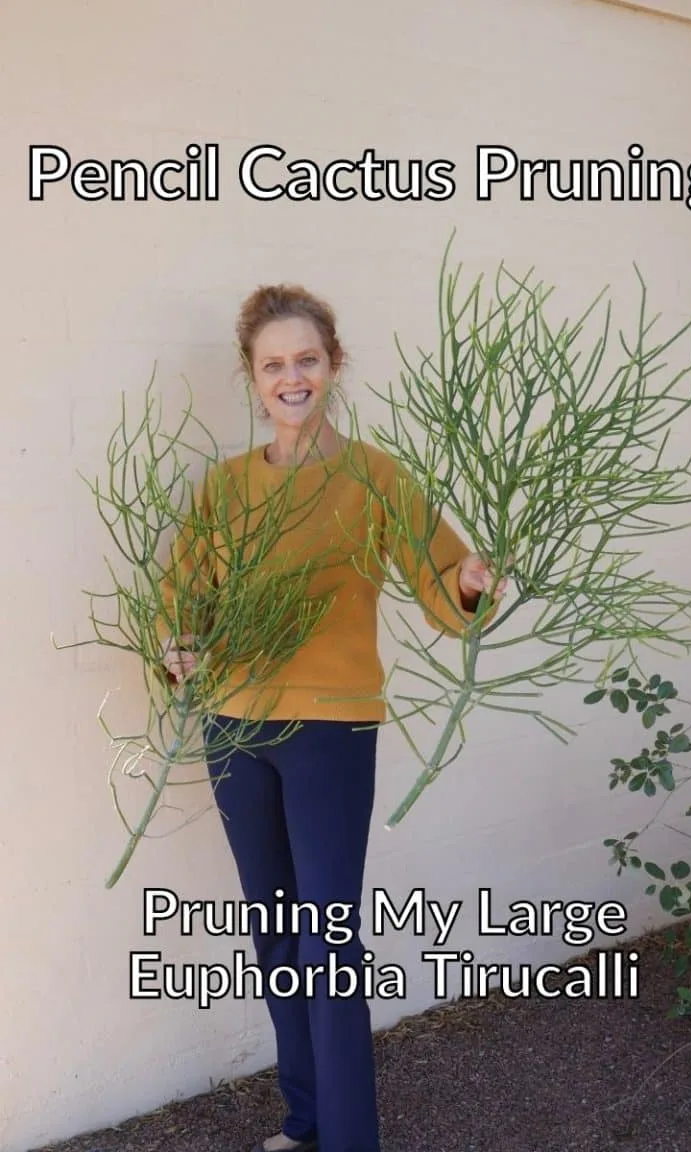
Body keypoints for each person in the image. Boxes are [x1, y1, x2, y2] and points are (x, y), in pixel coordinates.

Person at [157, 284, 507, 1152]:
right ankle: (306, 1122)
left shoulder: (375, 475)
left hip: (328, 736)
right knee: (276, 937)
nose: (291, 376)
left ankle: (352, 1140)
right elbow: (185, 600)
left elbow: (444, 573)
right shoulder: (225, 488)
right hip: (236, 732)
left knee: (328, 945)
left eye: (306, 359)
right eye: (273, 364)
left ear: (333, 364)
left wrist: (467, 585)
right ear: (253, 377)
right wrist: (178, 646)